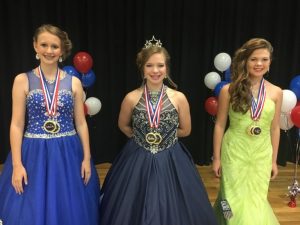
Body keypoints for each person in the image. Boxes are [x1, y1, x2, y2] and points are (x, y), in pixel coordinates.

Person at [99, 36, 218, 225]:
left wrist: (166, 137)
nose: (155, 70)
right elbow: (123, 125)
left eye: (160, 65)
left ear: (167, 68)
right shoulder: (131, 97)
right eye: (149, 65)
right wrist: (140, 137)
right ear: (142, 69)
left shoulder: (179, 98)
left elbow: (186, 130)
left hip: (171, 157)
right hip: (137, 156)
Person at [0, 24, 100, 225]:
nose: (49, 50)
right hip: (33, 152)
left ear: (62, 50)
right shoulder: (22, 80)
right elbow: (17, 125)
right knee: (30, 205)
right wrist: (17, 165)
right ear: (35, 46)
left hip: (68, 151)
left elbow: (81, 123)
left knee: (69, 204)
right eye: (44, 44)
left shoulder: (74, 82)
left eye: (55, 46)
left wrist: (87, 158)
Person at [213, 38, 282, 225]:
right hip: (234, 150)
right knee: (230, 198)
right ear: (245, 61)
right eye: (254, 59)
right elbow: (220, 125)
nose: (259, 64)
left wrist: (274, 160)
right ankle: (227, 221)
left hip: (261, 154)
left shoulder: (276, 92)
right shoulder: (229, 90)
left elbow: (275, 128)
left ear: (270, 62)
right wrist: (217, 158)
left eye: (264, 59)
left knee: (256, 199)